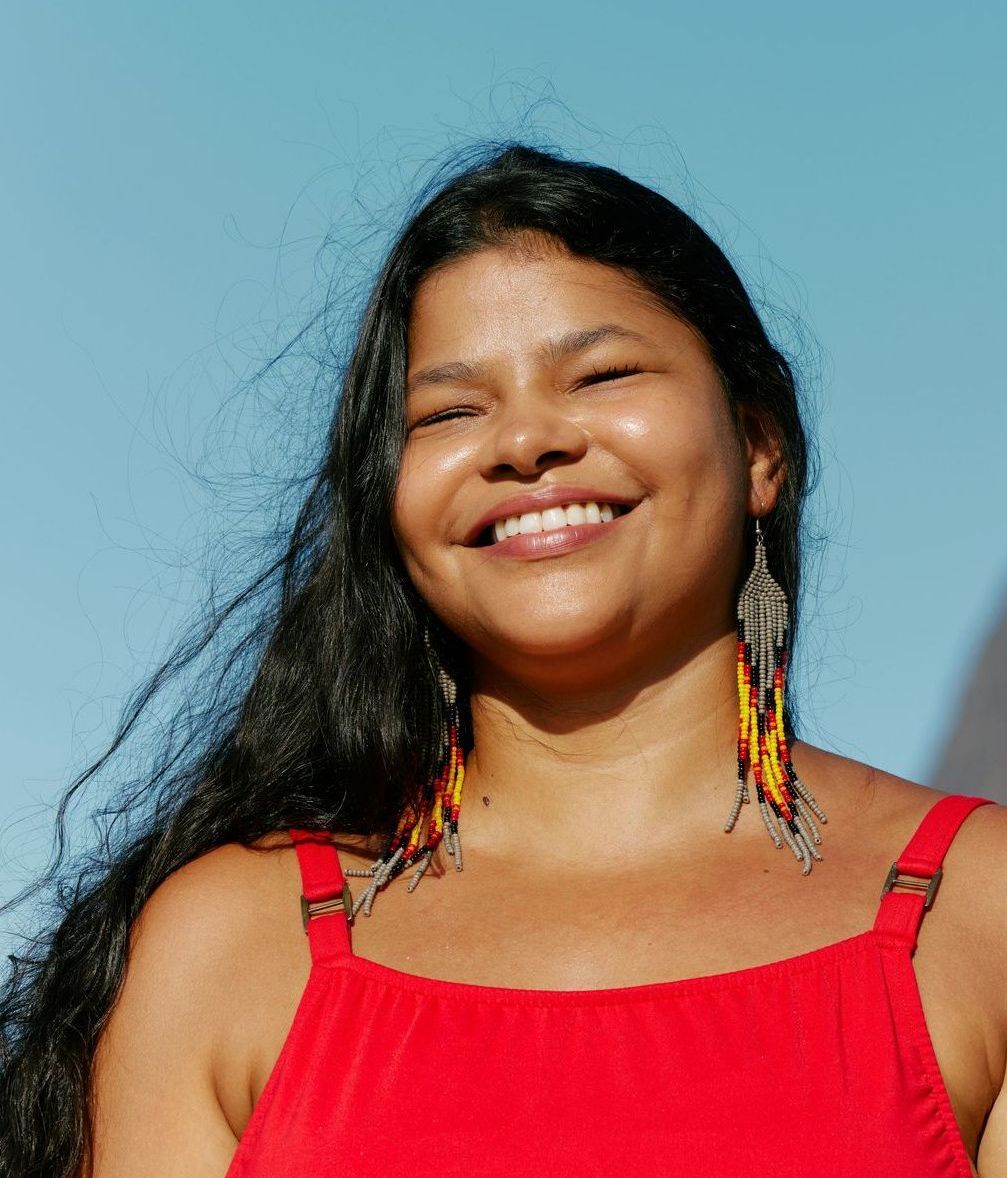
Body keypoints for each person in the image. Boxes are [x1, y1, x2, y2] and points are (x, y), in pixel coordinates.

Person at [2, 143, 1005, 1177]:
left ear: (757, 446)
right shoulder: (228, 945)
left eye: (600, 372)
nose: (523, 442)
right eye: (446, 412)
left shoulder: (979, 909)